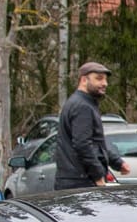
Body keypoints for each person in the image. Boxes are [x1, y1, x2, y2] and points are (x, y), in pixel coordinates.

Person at [54, 61, 130, 190]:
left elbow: (96, 144)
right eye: (99, 79)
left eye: (105, 80)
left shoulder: (84, 103)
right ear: (84, 80)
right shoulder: (82, 106)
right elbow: (82, 144)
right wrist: (98, 176)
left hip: (76, 180)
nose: (104, 84)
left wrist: (118, 163)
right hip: (80, 182)